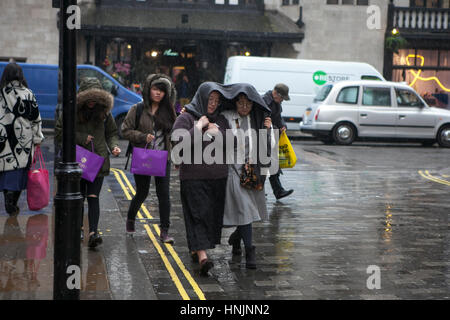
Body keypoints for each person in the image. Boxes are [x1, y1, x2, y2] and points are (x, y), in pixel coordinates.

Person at [171, 82, 230, 276]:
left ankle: (197, 248)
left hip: (218, 178)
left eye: (216, 100)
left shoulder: (220, 119)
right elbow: (178, 144)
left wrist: (218, 132)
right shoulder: (186, 118)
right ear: (201, 98)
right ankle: (203, 257)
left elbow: (234, 143)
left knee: (210, 218)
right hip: (193, 178)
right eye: (210, 99)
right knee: (197, 216)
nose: (213, 104)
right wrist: (198, 127)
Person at [55, 77, 121, 248]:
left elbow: (112, 133)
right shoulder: (71, 112)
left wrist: (114, 146)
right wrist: (81, 138)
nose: (91, 101)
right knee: (78, 198)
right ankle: (78, 229)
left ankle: (93, 233)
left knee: (93, 197)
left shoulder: (105, 114)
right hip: (77, 162)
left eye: (95, 98)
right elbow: (59, 133)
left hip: (97, 162)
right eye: (88, 98)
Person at [221, 83, 273, 269]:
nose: (244, 107)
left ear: (253, 105)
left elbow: (269, 147)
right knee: (245, 209)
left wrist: (267, 131)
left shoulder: (257, 119)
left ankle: (236, 238)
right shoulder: (226, 117)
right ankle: (250, 250)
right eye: (241, 103)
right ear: (235, 103)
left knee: (247, 211)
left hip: (252, 172)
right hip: (232, 171)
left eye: (248, 104)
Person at [122, 73, 177, 243]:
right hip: (143, 156)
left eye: (162, 90)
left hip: (163, 158)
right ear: (148, 90)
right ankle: (131, 218)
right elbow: (125, 130)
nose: (158, 93)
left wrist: (177, 157)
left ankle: (165, 231)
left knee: (164, 195)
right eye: (155, 89)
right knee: (142, 192)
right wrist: (142, 137)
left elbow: (175, 135)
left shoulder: (169, 112)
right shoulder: (138, 109)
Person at [0, 63, 44, 215]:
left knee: (5, 167)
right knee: (20, 170)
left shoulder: (1, 93)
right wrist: (37, 139)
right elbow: (36, 119)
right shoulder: (27, 93)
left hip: (3, 137)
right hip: (23, 138)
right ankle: (12, 199)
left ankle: (8, 195)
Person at [262, 83, 294, 200]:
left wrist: (283, 126)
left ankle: (278, 191)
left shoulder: (276, 103)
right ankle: (260, 191)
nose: (282, 101)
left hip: (271, 138)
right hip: (262, 138)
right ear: (275, 93)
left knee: (272, 165)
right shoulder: (264, 102)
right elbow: (263, 123)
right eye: (282, 98)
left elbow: (279, 119)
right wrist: (275, 128)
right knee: (264, 165)